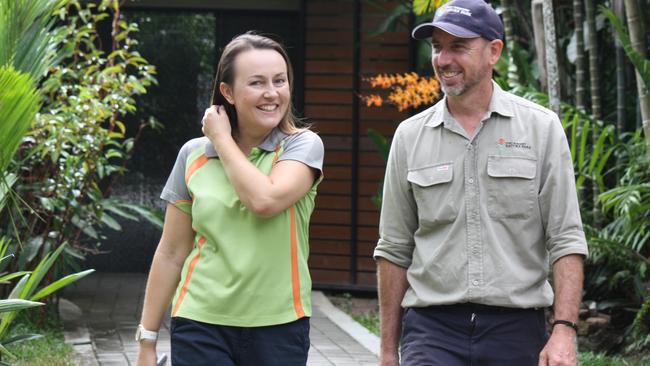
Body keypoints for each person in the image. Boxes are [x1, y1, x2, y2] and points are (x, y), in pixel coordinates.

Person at [373, 1, 588, 365]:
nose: (443, 59)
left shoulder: (540, 128)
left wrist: (564, 329)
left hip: (516, 330)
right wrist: (387, 351)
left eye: (458, 46)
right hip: (431, 331)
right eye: (438, 47)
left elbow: (565, 237)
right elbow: (394, 249)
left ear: (494, 52)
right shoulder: (409, 136)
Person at [135, 32, 324, 366]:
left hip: (279, 327)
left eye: (280, 81)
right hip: (199, 323)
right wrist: (147, 340)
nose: (272, 93)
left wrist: (221, 139)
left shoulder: (302, 147)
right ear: (228, 92)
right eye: (256, 82)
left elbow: (264, 201)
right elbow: (171, 252)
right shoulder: (193, 155)